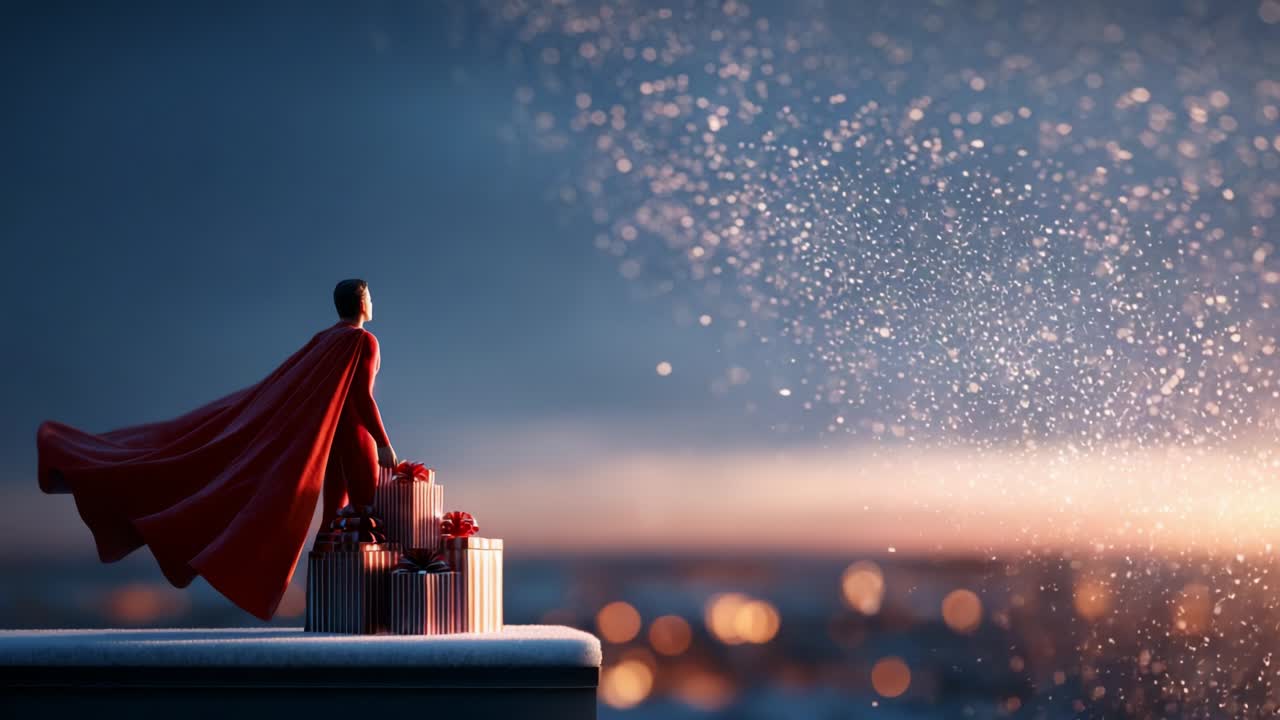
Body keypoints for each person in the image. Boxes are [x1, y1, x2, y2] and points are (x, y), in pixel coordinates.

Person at [36, 279, 398, 621]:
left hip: (331, 435)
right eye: (370, 296)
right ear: (362, 302)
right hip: (353, 437)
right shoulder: (362, 341)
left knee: (335, 521)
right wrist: (383, 441)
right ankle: (359, 608)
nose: (373, 302)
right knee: (364, 515)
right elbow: (362, 398)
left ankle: (329, 607)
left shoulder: (325, 338)